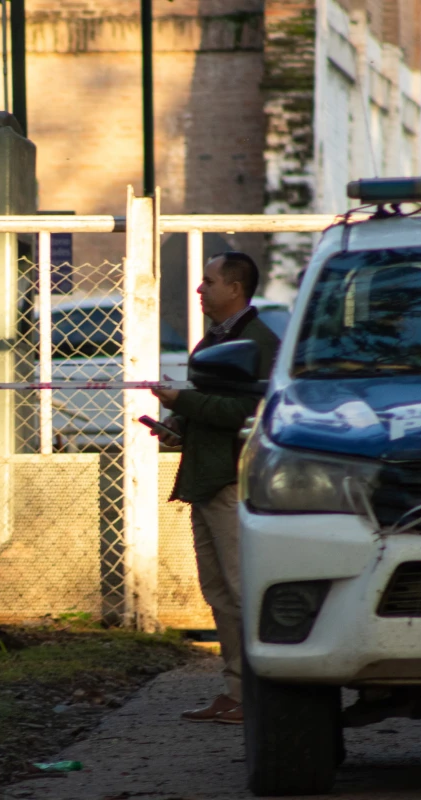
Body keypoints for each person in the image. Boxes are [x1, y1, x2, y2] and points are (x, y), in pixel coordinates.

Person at [151, 251, 280, 725]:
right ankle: (237, 692)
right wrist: (176, 424)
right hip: (206, 479)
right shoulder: (215, 341)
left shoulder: (259, 342)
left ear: (236, 289)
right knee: (220, 592)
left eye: (208, 281)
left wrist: (183, 400)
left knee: (243, 591)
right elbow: (212, 406)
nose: (200, 290)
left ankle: (263, 694)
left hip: (234, 483)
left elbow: (244, 414)